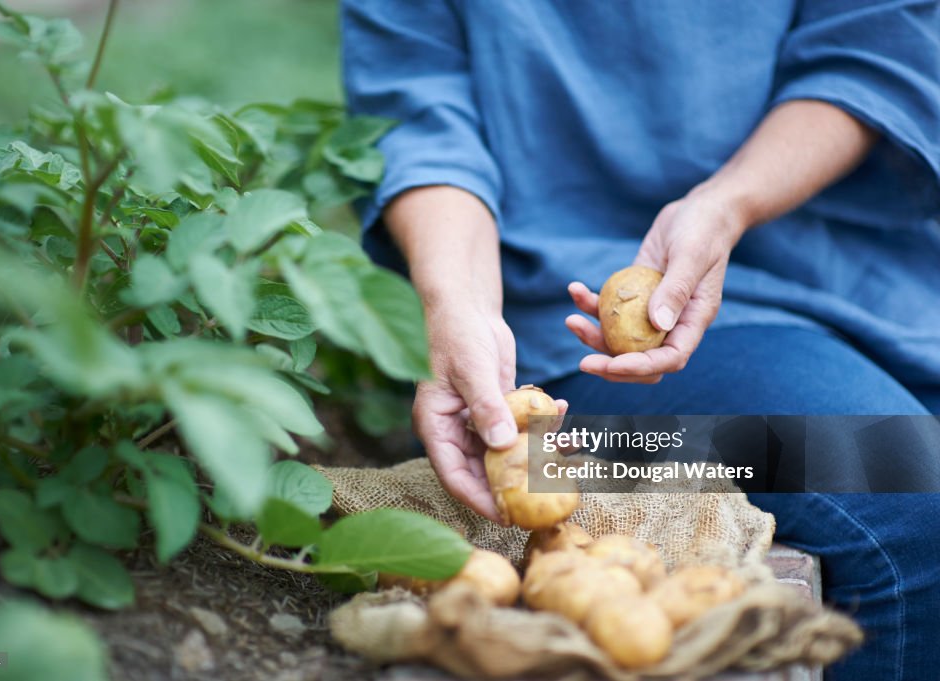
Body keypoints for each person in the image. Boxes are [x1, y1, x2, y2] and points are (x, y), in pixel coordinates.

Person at [340, 2, 940, 678]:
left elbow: (871, 54)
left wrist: (727, 204)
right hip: (567, 334)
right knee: (916, 498)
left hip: (866, 272)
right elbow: (419, 121)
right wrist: (459, 304)